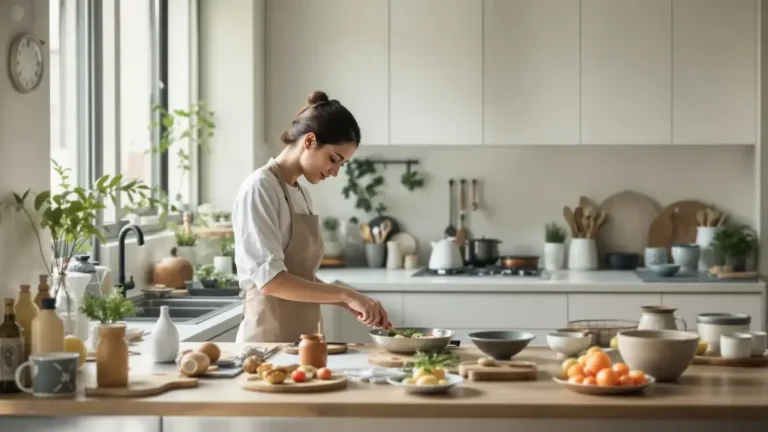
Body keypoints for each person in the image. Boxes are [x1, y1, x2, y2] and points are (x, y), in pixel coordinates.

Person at [233, 90, 390, 343]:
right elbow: (271, 281)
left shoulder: (300, 192)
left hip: (306, 340)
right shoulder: (260, 188)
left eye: (342, 164)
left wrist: (346, 300)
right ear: (309, 141)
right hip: (269, 341)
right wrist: (345, 295)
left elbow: (299, 274)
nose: (336, 171)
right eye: (334, 159)